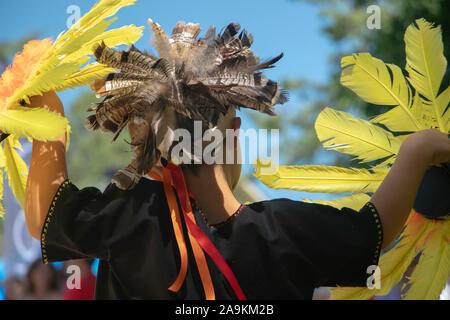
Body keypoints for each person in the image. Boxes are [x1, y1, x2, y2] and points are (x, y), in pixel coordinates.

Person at [23, 22, 450, 299]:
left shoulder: (129, 219)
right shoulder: (288, 231)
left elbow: (44, 214)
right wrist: (420, 150)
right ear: (232, 136)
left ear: (149, 156)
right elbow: (372, 231)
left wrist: (47, 106)